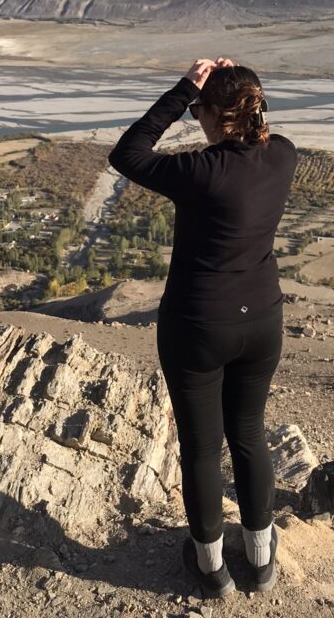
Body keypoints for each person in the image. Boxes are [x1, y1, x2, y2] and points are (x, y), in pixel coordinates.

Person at [107, 57, 298, 598]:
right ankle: (260, 563)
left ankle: (210, 568)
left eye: (198, 111)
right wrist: (229, 87)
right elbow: (258, 128)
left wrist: (182, 88)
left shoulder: (200, 172)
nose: (195, 116)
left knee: (200, 446)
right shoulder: (283, 156)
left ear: (214, 115)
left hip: (197, 325)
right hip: (262, 320)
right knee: (250, 434)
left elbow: (128, 152)